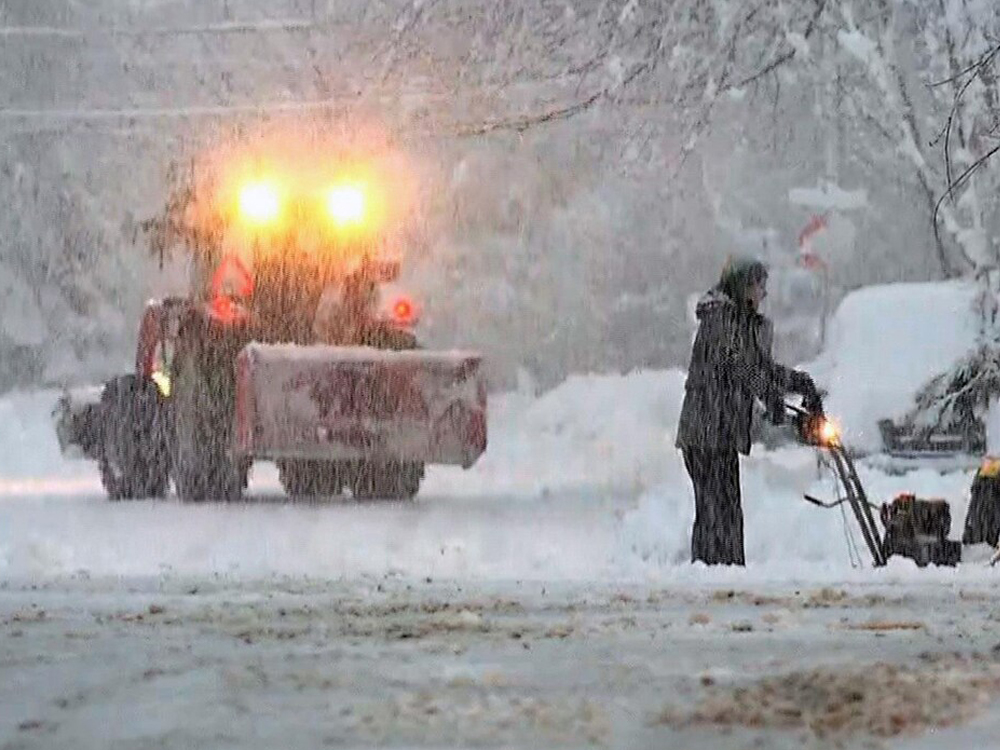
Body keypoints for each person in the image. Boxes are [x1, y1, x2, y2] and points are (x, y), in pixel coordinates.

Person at [676, 256, 820, 566]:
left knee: (727, 509)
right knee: (714, 510)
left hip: (722, 432)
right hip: (705, 431)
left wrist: (799, 383)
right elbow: (736, 364)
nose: (763, 294)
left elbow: (761, 367)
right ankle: (708, 572)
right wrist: (768, 394)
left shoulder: (741, 322)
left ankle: (727, 571)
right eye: (759, 286)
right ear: (743, 286)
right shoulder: (719, 320)